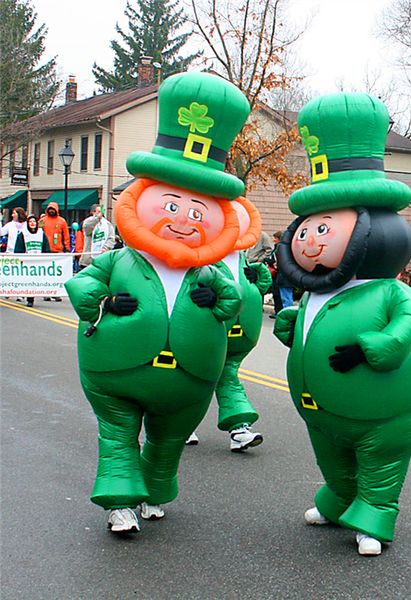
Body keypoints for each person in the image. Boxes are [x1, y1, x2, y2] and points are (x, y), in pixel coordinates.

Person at [65, 71, 248, 535]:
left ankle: (154, 489)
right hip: (117, 369)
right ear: (143, 199)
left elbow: (235, 301)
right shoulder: (119, 260)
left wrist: (221, 300)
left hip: (189, 377)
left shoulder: (209, 270)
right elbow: (81, 286)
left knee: (167, 443)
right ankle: (120, 502)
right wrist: (102, 306)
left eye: (196, 212)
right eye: (171, 206)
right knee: (118, 435)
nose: (184, 221)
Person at [273, 92, 411, 557]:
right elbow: (302, 324)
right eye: (305, 230)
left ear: (370, 230)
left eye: (324, 230)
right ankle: (340, 496)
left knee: (379, 454)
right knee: (331, 454)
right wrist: (292, 324)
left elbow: (405, 329)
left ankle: (376, 512)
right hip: (319, 408)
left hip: (383, 413)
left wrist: (373, 348)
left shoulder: (391, 292)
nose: (307, 241)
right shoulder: (317, 292)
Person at [186, 199, 271, 449]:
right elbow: (189, 287)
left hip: (241, 331)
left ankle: (239, 429)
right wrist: (208, 297)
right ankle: (182, 424)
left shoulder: (242, 256)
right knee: (198, 376)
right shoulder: (204, 253)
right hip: (212, 327)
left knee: (226, 373)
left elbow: (257, 287)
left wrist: (258, 278)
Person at [14, 214, 51, 306]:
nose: (32, 223)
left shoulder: (41, 233)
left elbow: (46, 247)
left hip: (38, 262)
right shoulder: (23, 233)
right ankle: (29, 299)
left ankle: (34, 297)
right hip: (27, 262)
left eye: (34, 221)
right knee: (28, 280)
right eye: (30, 222)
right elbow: (19, 248)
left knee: (35, 280)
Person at [42, 202, 70, 301]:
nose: (51, 211)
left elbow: (66, 236)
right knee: (46, 273)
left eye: (53, 209)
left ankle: (56, 292)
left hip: (58, 251)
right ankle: (46, 292)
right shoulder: (43, 220)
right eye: (50, 209)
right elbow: (38, 232)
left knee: (57, 273)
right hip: (45, 251)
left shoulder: (62, 221)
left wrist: (67, 248)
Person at [266, 230, 294, 318]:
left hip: (283, 277)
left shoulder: (280, 249)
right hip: (287, 276)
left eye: (275, 238)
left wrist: (272, 263)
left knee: (286, 297)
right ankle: (285, 313)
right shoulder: (289, 249)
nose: (273, 239)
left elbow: (277, 262)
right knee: (286, 296)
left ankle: (287, 315)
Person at [79, 204, 116, 269]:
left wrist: (106, 248)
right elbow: (87, 229)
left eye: (101, 211)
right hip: (88, 261)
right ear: (93, 212)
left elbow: (111, 238)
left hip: (103, 259)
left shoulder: (107, 224)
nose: (101, 213)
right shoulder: (88, 221)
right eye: (98, 211)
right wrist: (96, 219)